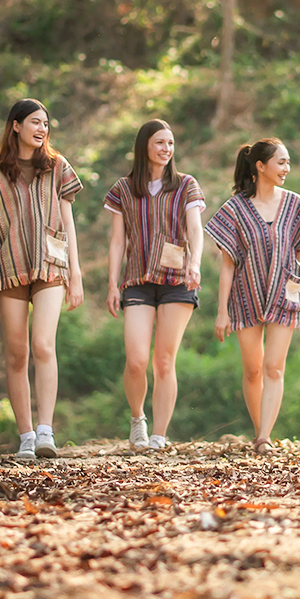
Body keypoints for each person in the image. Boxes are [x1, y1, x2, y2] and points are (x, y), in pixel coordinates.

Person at [0, 98, 84, 460]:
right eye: (35, 122)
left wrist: (76, 273)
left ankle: (46, 431)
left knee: (43, 346)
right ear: (16, 126)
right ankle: (25, 436)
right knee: (16, 353)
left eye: (46, 124)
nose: (42, 129)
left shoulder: (57, 166)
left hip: (51, 264)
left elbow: (68, 221)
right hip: (10, 266)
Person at [204, 138, 300, 454]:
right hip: (245, 296)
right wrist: (222, 311)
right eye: (281, 162)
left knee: (274, 367)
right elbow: (227, 265)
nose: (287, 168)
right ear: (260, 166)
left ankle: (264, 437)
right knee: (253, 370)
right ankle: (260, 430)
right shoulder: (235, 209)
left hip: (287, 295)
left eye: (288, 162)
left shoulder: (295, 204)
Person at [104, 119, 206, 450]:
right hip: (137, 279)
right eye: (160, 142)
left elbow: (195, 230)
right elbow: (117, 241)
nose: (166, 149)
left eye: (171, 143)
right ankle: (138, 419)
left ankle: (159, 434)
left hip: (178, 280)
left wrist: (195, 263)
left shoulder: (186, 185)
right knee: (136, 360)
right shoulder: (123, 189)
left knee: (164, 360)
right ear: (144, 146)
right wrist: (112, 284)